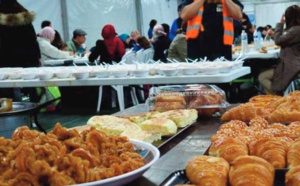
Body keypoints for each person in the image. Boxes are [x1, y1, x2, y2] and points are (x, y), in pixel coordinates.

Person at [0, 0, 41, 101]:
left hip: (4, 59)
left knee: (5, 89)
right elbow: (33, 40)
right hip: (27, 59)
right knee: (29, 88)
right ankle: (31, 111)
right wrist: (37, 58)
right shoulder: (25, 18)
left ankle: (7, 109)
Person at [258, 5, 300, 95]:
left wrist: (280, 24)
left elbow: (278, 41)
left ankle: (276, 96)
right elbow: (284, 40)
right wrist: (275, 34)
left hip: (290, 66)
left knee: (262, 77)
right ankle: (276, 96)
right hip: (291, 64)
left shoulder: (296, 30)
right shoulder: (296, 29)